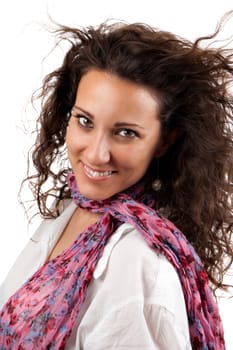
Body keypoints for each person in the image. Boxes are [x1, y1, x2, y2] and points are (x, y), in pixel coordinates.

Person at [0, 12, 233, 350]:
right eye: (84, 121)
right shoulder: (75, 208)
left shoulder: (139, 270)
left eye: (126, 133)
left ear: (164, 141)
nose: (96, 155)